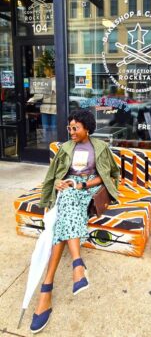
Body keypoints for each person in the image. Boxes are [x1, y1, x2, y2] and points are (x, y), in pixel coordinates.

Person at [30, 108, 119, 334]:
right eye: (69, 128)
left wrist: (81, 184)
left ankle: (46, 290)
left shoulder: (100, 147)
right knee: (67, 199)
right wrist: (58, 185)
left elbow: (107, 175)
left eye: (75, 128)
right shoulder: (66, 148)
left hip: (91, 188)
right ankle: (77, 267)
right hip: (70, 188)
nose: (71, 131)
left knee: (66, 206)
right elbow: (54, 174)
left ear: (86, 128)